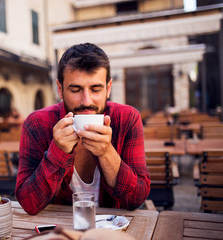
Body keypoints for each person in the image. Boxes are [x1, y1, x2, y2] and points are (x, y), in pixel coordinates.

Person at [15, 43, 150, 215]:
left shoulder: (127, 119)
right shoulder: (36, 123)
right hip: (58, 229)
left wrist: (107, 152)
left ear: (108, 88)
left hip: (112, 229)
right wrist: (57, 152)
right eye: (75, 89)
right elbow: (28, 204)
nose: (86, 100)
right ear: (60, 89)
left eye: (96, 89)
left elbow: (136, 199)